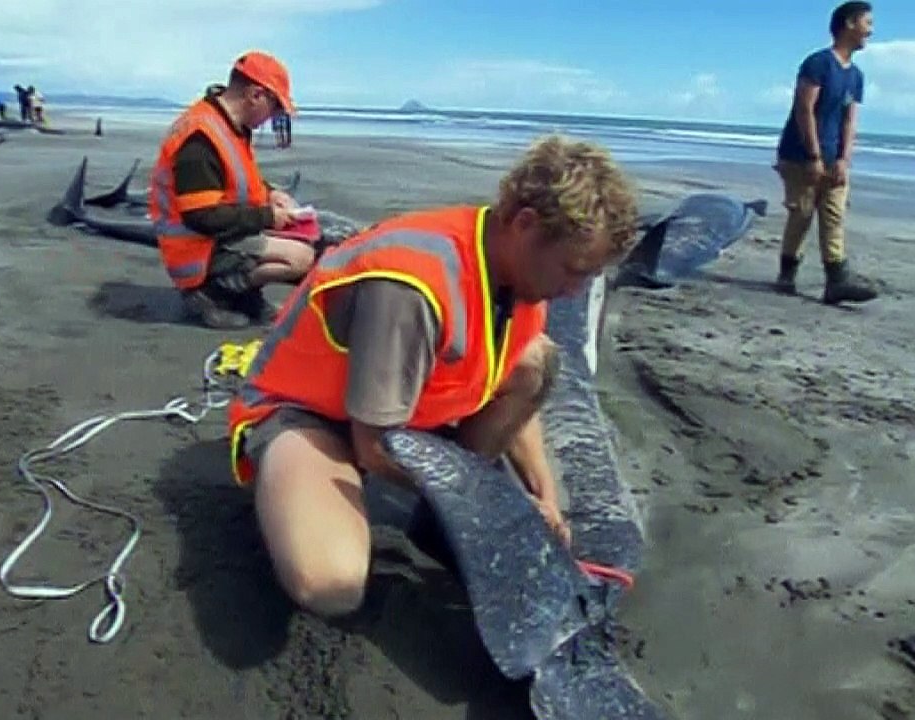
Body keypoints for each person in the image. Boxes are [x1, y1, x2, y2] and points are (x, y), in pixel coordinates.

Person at [222, 134, 640, 617]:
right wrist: (494, 504)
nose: (575, 290)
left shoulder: (519, 276)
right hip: (312, 415)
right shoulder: (411, 286)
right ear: (526, 225)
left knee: (538, 360)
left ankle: (439, 515)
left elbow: (508, 370)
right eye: (573, 270)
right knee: (331, 584)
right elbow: (373, 448)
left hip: (404, 406)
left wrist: (544, 497)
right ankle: (300, 493)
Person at [148, 51, 317, 329]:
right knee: (300, 258)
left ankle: (242, 292)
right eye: (275, 107)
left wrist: (270, 193)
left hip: (215, 236)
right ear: (255, 95)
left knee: (303, 241)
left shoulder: (229, 126)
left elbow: (235, 182)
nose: (274, 117)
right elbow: (201, 216)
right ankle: (210, 294)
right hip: (195, 248)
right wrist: (267, 218)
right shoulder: (200, 137)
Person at [773, 1, 878, 305]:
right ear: (849, 24)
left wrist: (844, 159)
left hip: (834, 157)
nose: (870, 31)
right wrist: (814, 156)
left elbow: (849, 119)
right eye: (867, 23)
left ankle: (836, 282)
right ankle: (786, 275)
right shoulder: (817, 63)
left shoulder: (856, 75)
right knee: (802, 215)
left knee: (834, 215)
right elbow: (804, 109)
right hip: (799, 154)